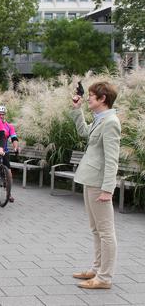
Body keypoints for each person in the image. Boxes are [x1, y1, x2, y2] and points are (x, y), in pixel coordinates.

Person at [70, 81, 120, 290]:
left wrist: (108, 189)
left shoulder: (110, 122)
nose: (88, 98)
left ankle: (105, 278)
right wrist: (77, 110)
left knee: (106, 232)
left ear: (102, 99)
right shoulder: (100, 120)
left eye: (91, 96)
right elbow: (83, 132)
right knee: (96, 230)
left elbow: (112, 159)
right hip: (90, 179)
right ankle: (97, 269)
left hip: (99, 184)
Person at [0, 105, 19, 203]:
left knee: (8, 173)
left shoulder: (9, 126)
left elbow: (14, 138)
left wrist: (16, 147)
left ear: (5, 115)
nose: (0, 116)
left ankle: (8, 194)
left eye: (2, 114)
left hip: (4, 151)